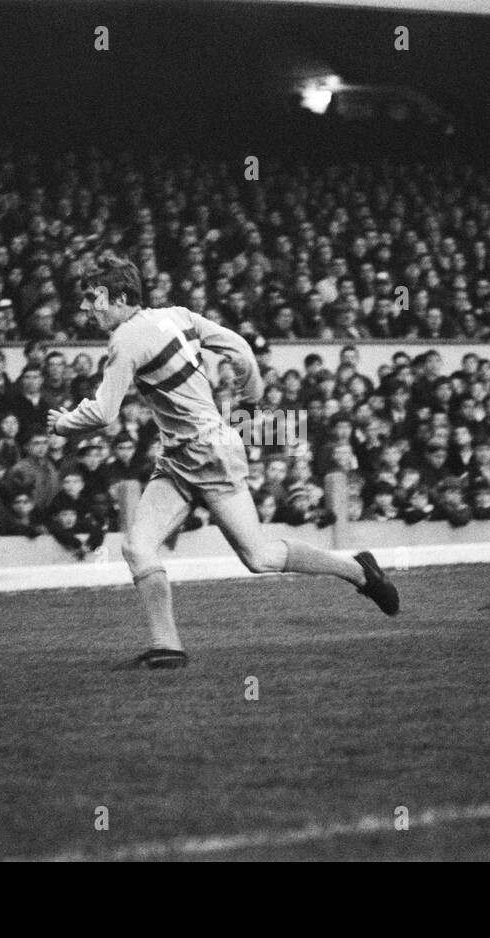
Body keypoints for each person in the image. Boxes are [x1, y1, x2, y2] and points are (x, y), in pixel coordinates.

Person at [48, 253, 398, 670]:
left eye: (93, 297)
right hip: (187, 452)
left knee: (259, 557)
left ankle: (358, 570)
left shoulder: (124, 340)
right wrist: (252, 391)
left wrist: (64, 424)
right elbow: (239, 347)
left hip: (207, 452)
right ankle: (167, 647)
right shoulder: (175, 314)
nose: (86, 307)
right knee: (136, 546)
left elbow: (104, 413)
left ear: (121, 297)